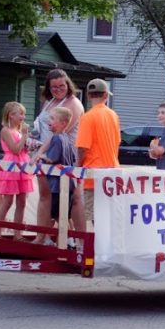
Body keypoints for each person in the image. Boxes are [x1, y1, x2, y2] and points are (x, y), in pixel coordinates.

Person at [31, 70, 85, 235]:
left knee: (70, 200)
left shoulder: (73, 104)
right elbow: (41, 128)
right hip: (46, 156)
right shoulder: (49, 101)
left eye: (62, 85)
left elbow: (60, 133)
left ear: (68, 84)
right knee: (45, 197)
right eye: (53, 87)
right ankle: (44, 237)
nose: (58, 89)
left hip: (64, 157)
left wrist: (39, 152)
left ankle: (79, 240)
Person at [76, 79, 121, 226]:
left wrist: (77, 166)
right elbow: (117, 143)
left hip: (93, 174)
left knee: (95, 219)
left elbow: (82, 147)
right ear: (106, 96)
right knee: (109, 217)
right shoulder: (114, 116)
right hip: (112, 172)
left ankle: (98, 249)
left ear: (88, 96)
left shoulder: (87, 117)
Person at [38, 106, 84, 238]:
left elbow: (52, 159)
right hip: (68, 184)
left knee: (54, 214)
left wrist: (41, 157)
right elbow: (73, 159)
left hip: (56, 185)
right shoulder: (67, 139)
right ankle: (71, 240)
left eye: (52, 118)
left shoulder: (56, 139)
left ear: (63, 123)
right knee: (63, 214)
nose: (49, 120)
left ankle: (46, 239)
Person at [0, 101, 35, 238]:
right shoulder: (5, 131)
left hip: (23, 164)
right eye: (21, 114)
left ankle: (18, 233)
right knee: (8, 201)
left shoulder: (18, 131)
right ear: (11, 115)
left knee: (22, 201)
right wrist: (24, 136)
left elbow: (22, 148)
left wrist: (28, 143)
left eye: (24, 114)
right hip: (11, 165)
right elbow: (15, 149)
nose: (23, 117)